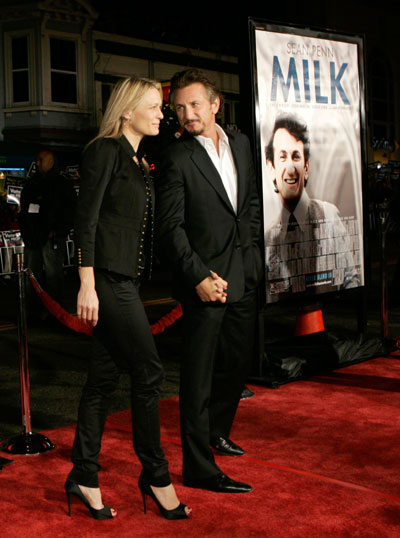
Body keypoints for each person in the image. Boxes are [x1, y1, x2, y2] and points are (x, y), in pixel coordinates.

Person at [65, 76, 190, 521]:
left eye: (162, 107)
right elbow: (87, 221)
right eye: (155, 106)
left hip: (126, 282)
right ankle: (156, 475)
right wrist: (86, 283)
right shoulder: (105, 150)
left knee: (101, 380)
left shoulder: (137, 159)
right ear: (127, 110)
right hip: (108, 282)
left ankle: (83, 475)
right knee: (149, 371)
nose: (162, 113)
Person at [156, 69, 262, 493]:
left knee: (237, 363)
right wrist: (198, 276)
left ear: (215, 104)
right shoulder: (177, 156)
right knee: (197, 378)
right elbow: (170, 228)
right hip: (204, 281)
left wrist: (251, 256)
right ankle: (199, 467)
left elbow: (249, 203)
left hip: (243, 274)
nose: (187, 114)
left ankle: (217, 430)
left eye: (195, 104)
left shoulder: (241, 143)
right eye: (179, 107)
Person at [265, 113, 361, 301]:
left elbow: (351, 279)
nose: (291, 168)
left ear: (306, 168)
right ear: (271, 168)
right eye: (283, 157)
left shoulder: (329, 214)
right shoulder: (269, 238)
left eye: (296, 156)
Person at [18, 149, 76, 308]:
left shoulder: (60, 184)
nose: (37, 163)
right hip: (34, 236)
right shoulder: (33, 183)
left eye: (40, 160)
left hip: (49, 236)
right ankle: (36, 307)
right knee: (33, 274)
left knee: (52, 275)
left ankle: (54, 307)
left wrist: (58, 230)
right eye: (37, 160)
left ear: (50, 162)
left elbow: (69, 210)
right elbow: (25, 209)